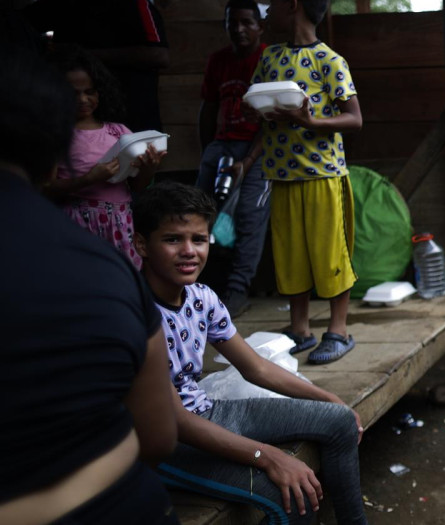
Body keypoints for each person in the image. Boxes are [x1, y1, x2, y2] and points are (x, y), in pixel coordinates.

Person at [0, 48, 178, 525]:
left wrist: (145, 169)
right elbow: (159, 439)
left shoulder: (111, 262)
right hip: (132, 504)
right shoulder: (104, 272)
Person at [133, 182, 368, 524]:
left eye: (198, 240)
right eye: (173, 239)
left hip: (207, 413)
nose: (189, 251)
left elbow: (256, 368)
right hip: (164, 445)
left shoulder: (201, 297)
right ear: (142, 244)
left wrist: (329, 399)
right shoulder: (132, 310)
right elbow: (175, 421)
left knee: (340, 421)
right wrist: (268, 457)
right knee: (293, 495)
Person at [244, 0, 364, 363]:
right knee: (290, 254)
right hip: (281, 174)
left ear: (293, 5)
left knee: (329, 253)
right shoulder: (270, 58)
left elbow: (354, 118)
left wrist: (311, 123)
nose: (267, 11)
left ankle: (338, 331)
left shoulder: (329, 60)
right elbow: (258, 111)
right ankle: (300, 330)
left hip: (322, 175)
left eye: (274, 3)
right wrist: (249, 158)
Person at [42, 44, 166, 268]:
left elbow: (137, 186)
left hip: (120, 224)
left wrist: (149, 168)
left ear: (100, 91)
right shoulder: (56, 134)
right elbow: (45, 188)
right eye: (73, 93)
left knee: (122, 280)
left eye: (90, 92)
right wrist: (89, 179)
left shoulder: (118, 133)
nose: (82, 99)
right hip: (77, 224)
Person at [196, 0, 271, 317]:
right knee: (199, 212)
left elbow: (271, 120)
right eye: (232, 23)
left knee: (249, 217)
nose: (238, 29)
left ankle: (238, 290)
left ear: (259, 27)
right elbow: (208, 108)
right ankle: (199, 287)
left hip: (258, 149)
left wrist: (248, 161)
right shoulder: (219, 61)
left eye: (246, 22)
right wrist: (209, 152)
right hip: (221, 146)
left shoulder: (268, 59)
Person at [22, 0, 170, 132]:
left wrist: (78, 54)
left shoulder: (132, 4)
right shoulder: (57, 6)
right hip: (75, 127)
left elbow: (158, 55)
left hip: (132, 119)